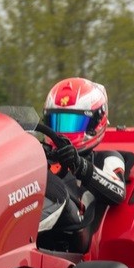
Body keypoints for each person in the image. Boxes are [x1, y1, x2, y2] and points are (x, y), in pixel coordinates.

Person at [38, 78, 127, 249]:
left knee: (51, 185)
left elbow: (118, 191)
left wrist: (79, 165)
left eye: (71, 124)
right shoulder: (40, 153)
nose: (61, 132)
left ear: (95, 123)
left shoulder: (107, 158)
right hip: (32, 217)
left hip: (75, 231)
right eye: (56, 122)